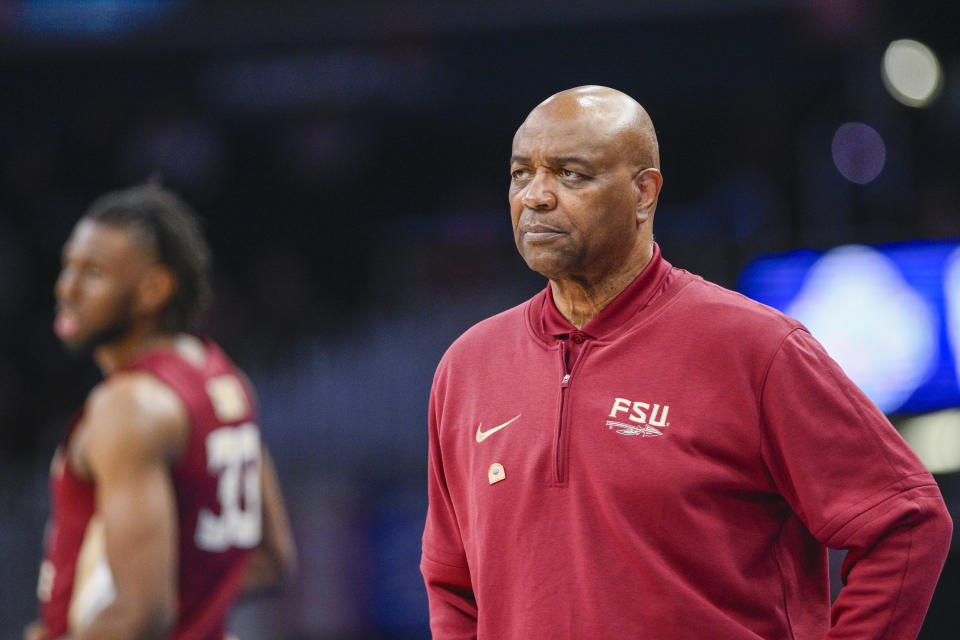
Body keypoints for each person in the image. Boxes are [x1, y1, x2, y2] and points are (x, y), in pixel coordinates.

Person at [420, 85, 953, 639]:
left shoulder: (757, 348)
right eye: (520, 174)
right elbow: (452, 582)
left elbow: (906, 519)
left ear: (644, 194)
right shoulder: (468, 368)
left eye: (570, 174)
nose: (535, 196)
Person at [24, 183, 296, 640]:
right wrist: (195, 609)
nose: (66, 288)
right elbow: (270, 559)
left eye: (93, 272)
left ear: (153, 289)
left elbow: (140, 617)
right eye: (68, 265)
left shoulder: (130, 404)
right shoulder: (223, 379)